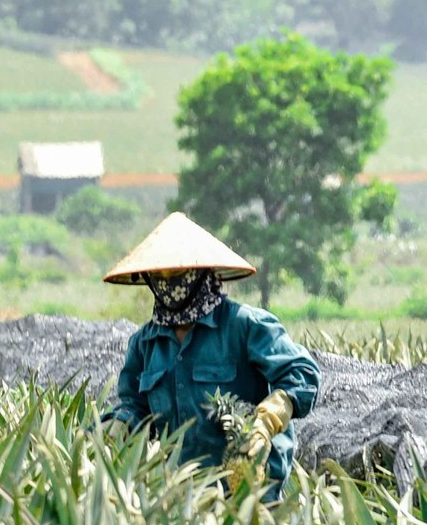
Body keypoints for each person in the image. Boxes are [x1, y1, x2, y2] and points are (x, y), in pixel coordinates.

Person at [102, 213, 319, 500]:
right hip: (182, 494)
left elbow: (302, 374)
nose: (169, 284)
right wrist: (117, 426)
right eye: (160, 276)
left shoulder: (246, 325)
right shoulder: (145, 343)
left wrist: (267, 420)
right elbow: (135, 405)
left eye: (178, 275)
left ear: (203, 273)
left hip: (251, 488)